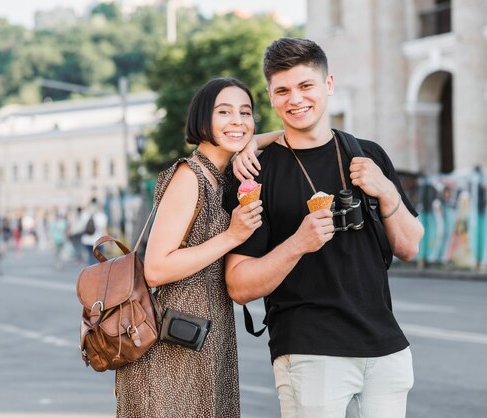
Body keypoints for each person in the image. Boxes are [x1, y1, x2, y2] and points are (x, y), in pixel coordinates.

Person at [224, 38, 424, 418]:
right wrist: (298, 243)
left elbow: (410, 246)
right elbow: (238, 285)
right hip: (310, 354)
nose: (295, 99)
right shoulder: (257, 174)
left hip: (386, 351)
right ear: (270, 96)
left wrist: (384, 191)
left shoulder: (369, 154)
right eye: (282, 90)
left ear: (328, 84)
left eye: (305, 86)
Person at [115, 77, 284, 417]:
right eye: (224, 112)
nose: (237, 120)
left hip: (204, 335)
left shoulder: (220, 175)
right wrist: (232, 237)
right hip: (173, 343)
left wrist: (251, 145)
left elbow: (286, 135)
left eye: (245, 112)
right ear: (203, 119)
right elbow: (157, 267)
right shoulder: (189, 176)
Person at [80, 198, 108, 265]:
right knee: (99, 259)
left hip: (86, 240)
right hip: (98, 241)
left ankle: (91, 272)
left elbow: (82, 227)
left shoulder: (84, 215)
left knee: (90, 257)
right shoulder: (101, 216)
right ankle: (97, 273)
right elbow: (103, 229)